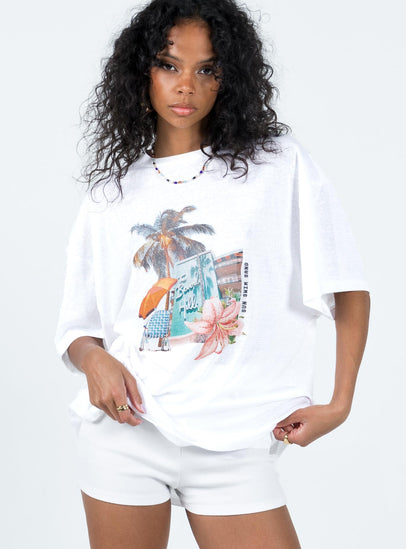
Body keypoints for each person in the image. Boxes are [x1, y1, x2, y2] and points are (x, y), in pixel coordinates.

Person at [54, 0, 371, 547]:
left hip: (236, 440)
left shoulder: (278, 166)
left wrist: (340, 403)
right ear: (142, 73)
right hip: (126, 434)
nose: (186, 85)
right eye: (169, 65)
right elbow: (77, 329)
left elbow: (347, 286)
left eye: (208, 69)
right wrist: (94, 360)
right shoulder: (111, 195)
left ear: (230, 79)